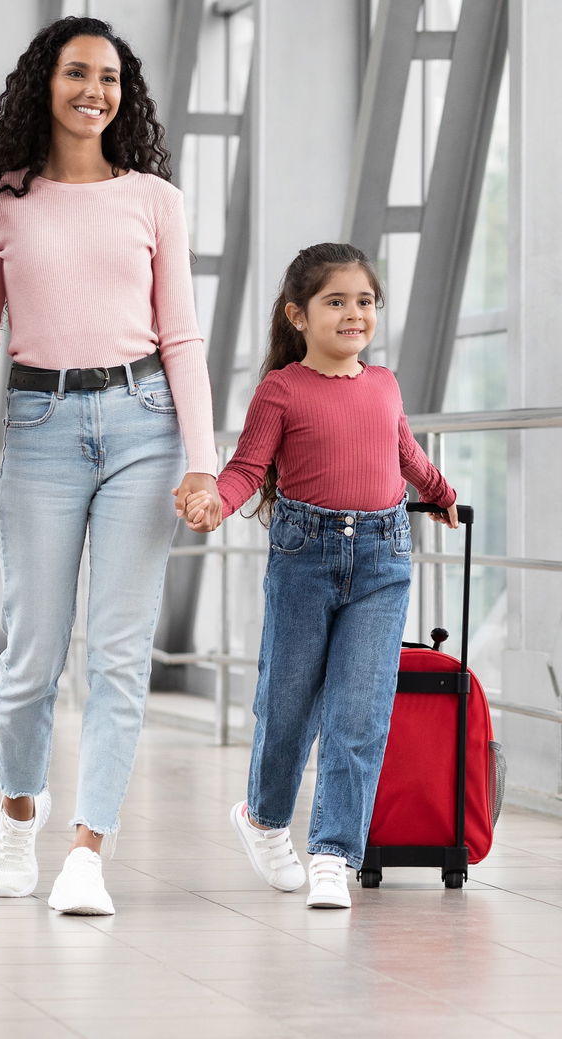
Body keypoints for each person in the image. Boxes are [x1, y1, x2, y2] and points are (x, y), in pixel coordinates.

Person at [0, 17, 219, 916]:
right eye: (76, 73)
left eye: (109, 77)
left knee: (116, 654)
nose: (93, 91)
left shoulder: (154, 198)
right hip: (38, 421)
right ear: (45, 83)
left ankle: (88, 850)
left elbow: (181, 334)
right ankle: (17, 811)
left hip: (144, 425)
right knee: (31, 652)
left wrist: (203, 462)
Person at [179, 242, 459, 910]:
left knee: (359, 711)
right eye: (336, 301)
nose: (353, 313)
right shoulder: (281, 389)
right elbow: (249, 466)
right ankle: (264, 818)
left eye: (364, 301)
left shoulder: (384, 384)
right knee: (288, 704)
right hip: (304, 559)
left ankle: (334, 852)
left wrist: (443, 492)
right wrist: (214, 497)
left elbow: (407, 452)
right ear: (298, 315)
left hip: (382, 563)